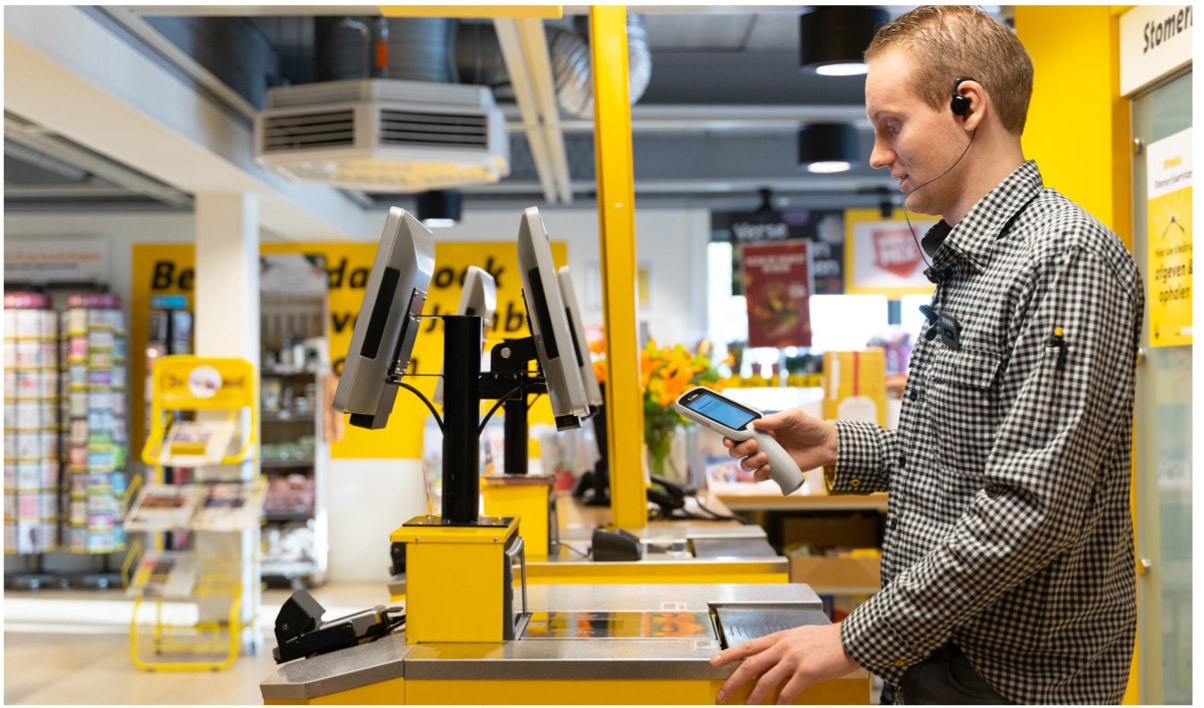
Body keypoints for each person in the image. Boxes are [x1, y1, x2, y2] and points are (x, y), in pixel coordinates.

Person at [711, 6, 1141, 705]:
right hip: (941, 662)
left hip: (1010, 681)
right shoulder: (974, 262)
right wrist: (834, 446)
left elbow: (1031, 508)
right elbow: (962, 456)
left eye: (891, 126)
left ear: (967, 104)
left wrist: (851, 638)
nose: (879, 156)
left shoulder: (1063, 259)